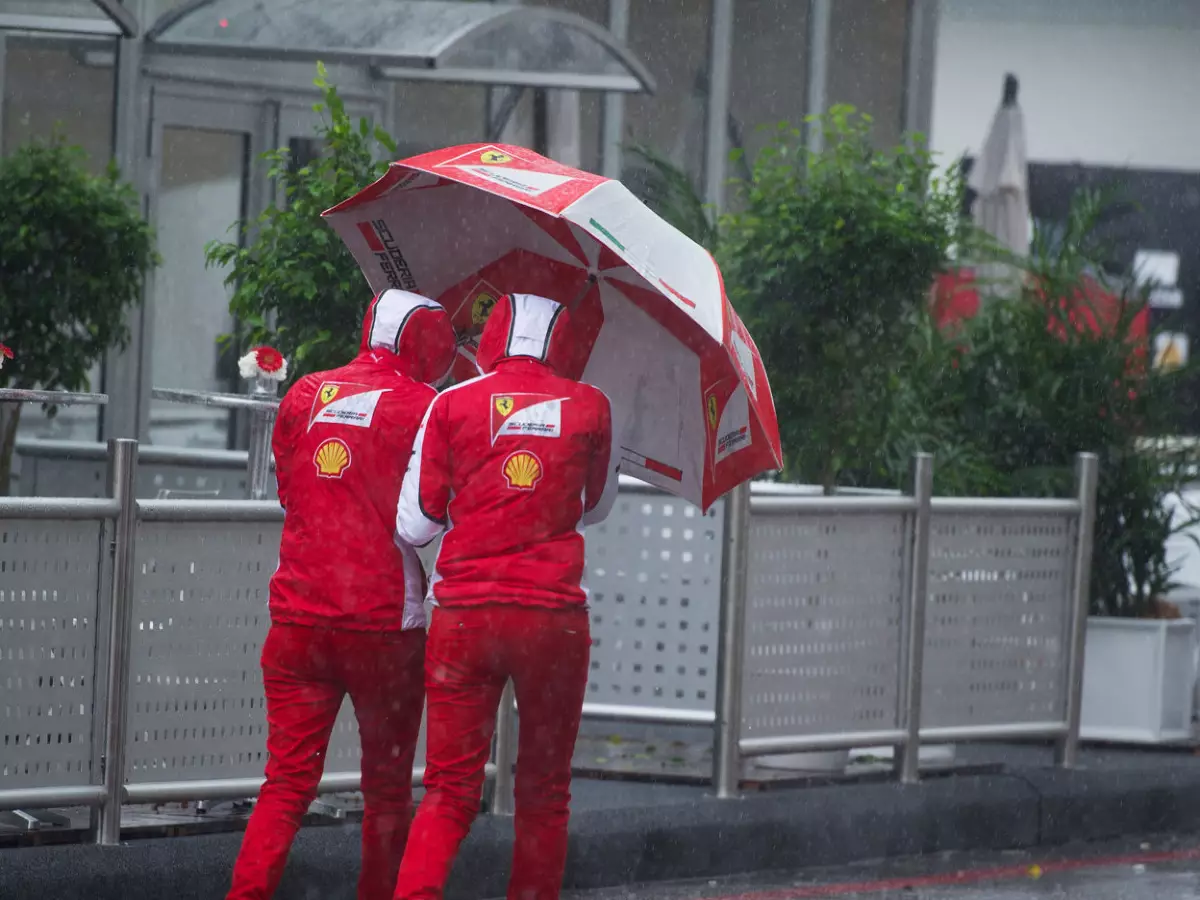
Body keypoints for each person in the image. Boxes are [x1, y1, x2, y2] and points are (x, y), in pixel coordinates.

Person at [227, 289, 457, 900]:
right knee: (385, 790)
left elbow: (290, 490)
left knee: (285, 785)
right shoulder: (427, 406)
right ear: (426, 342)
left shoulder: (305, 393)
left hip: (298, 619)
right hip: (383, 625)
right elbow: (427, 516)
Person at [393, 292, 619, 900]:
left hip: (464, 619)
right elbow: (594, 508)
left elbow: (415, 526)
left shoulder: (451, 404)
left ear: (493, 337)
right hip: (554, 621)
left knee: (446, 791)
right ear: (563, 344)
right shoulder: (591, 406)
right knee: (545, 792)